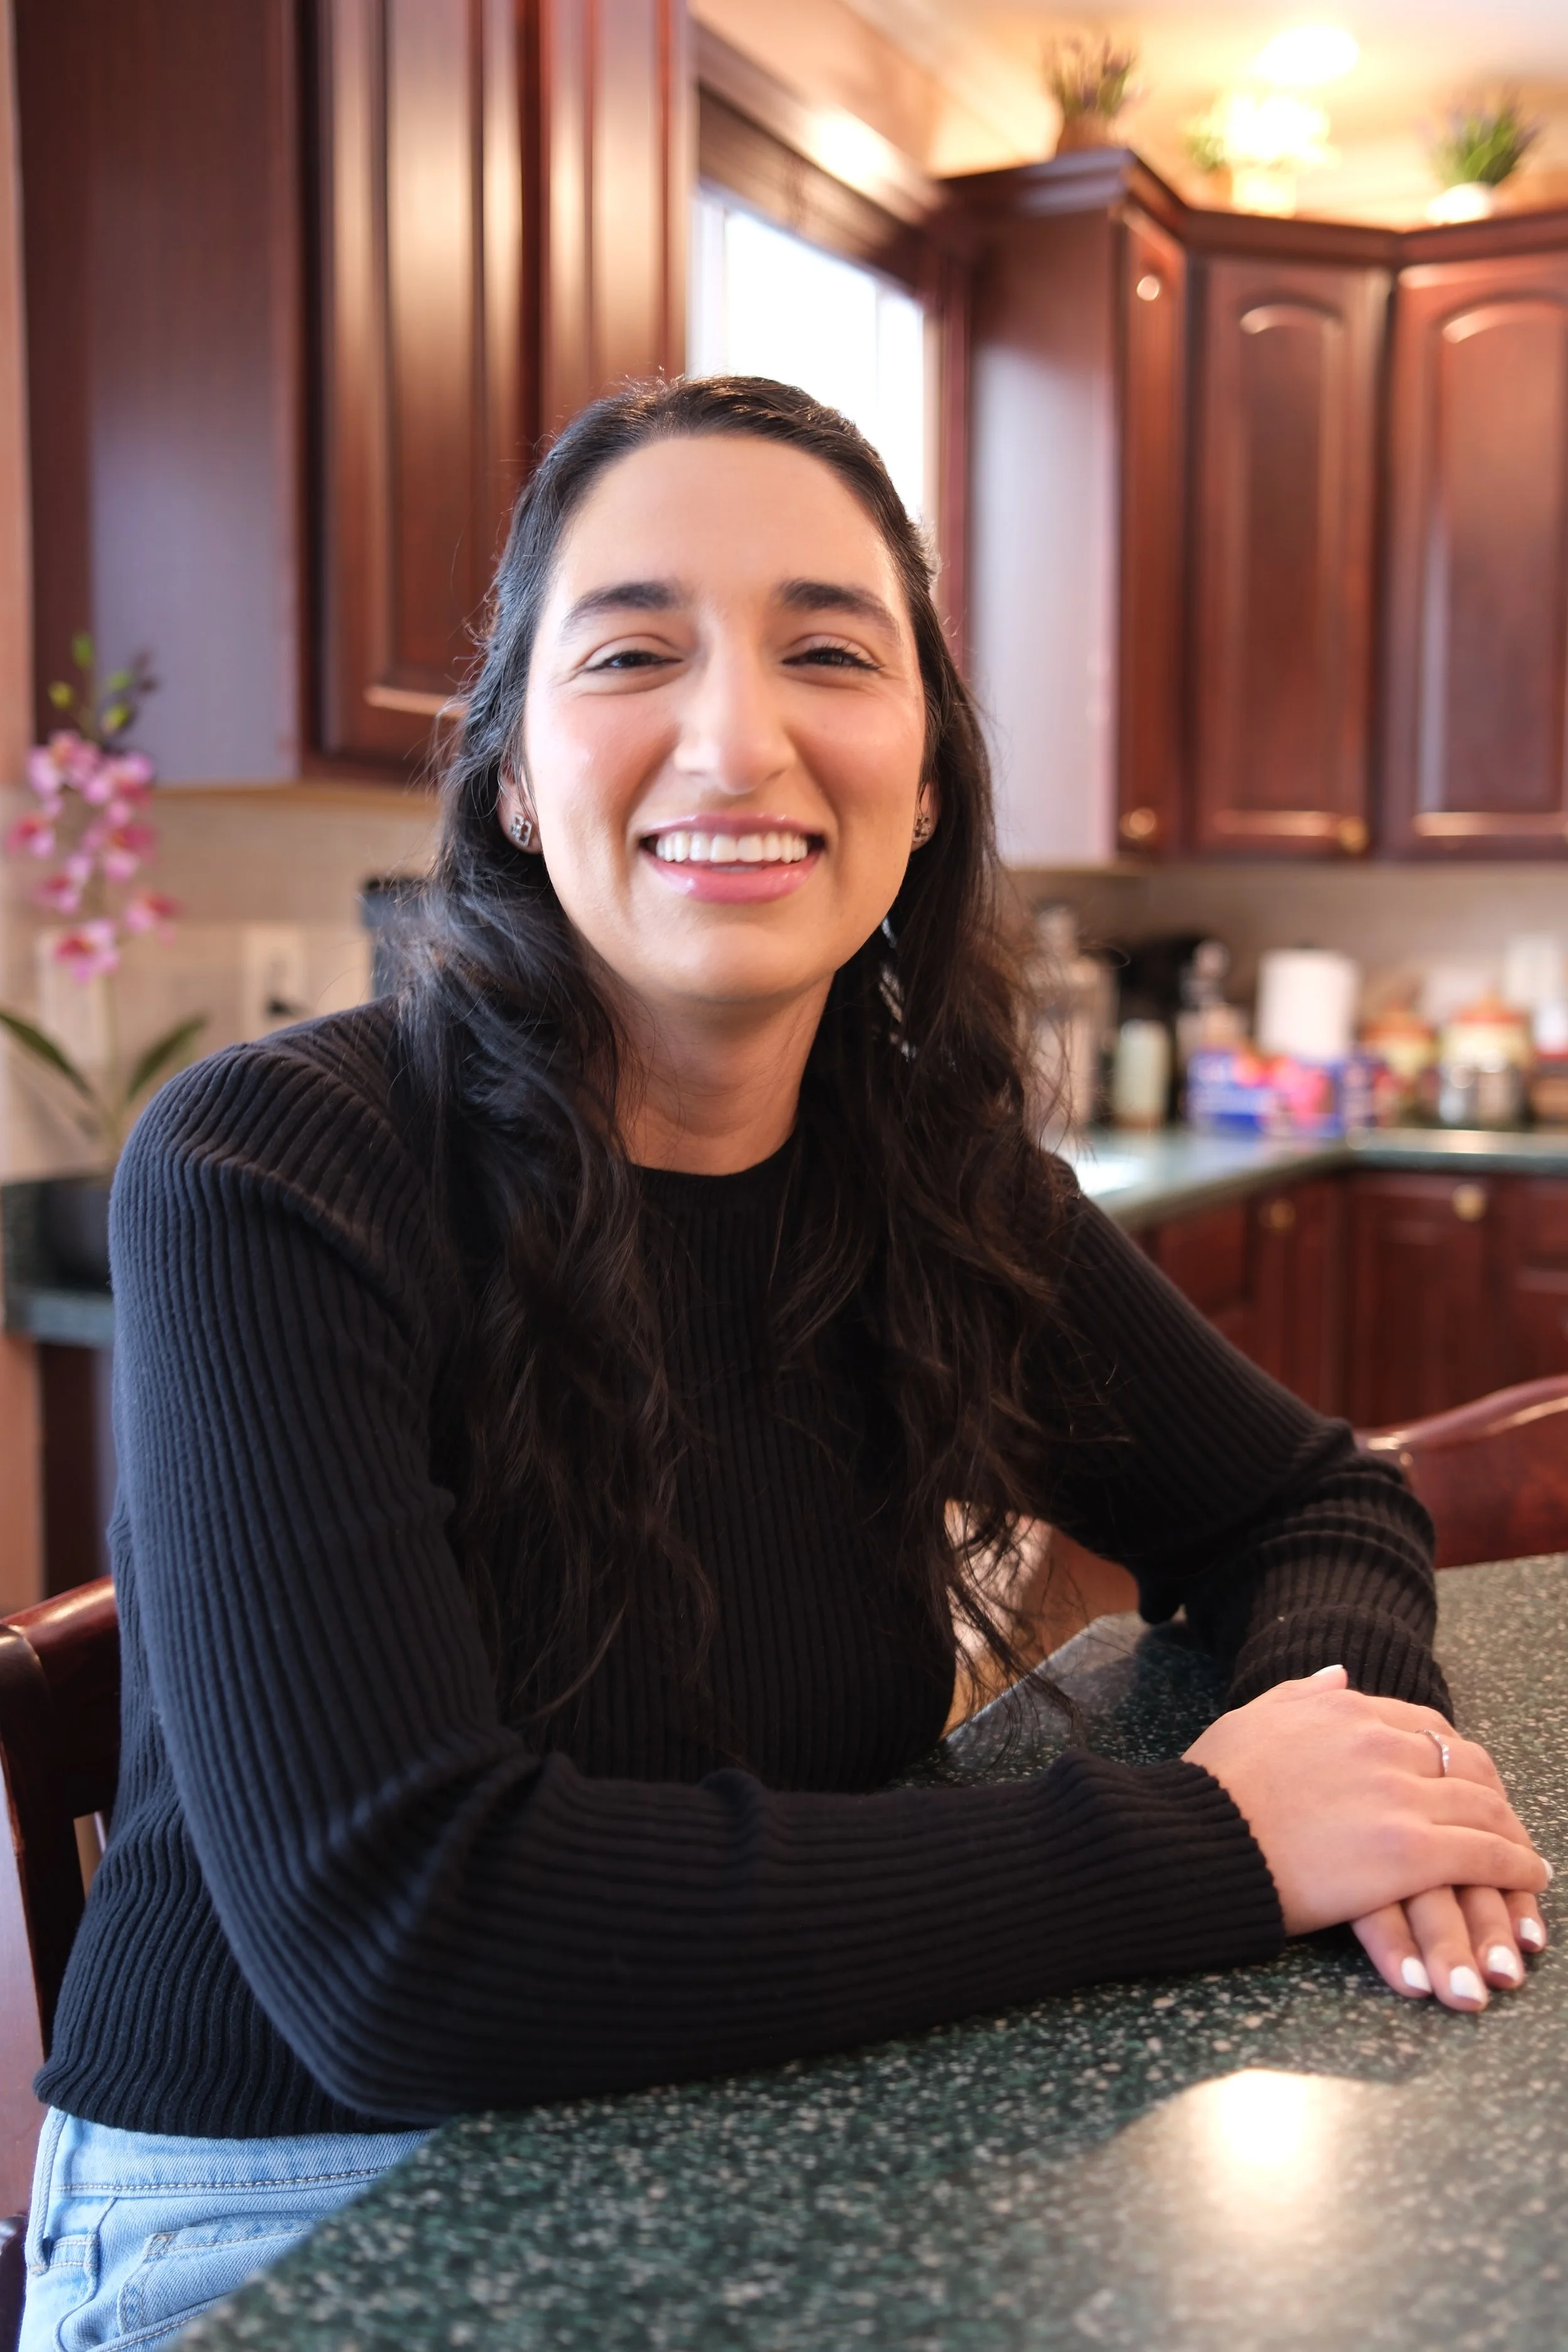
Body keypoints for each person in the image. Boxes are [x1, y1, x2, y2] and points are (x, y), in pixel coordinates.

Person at [22, 378, 1550, 2349]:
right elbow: (410, 1946)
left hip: (797, 2100)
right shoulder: (269, 1167)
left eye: (829, 649)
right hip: (287, 2208)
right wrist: (1222, 1835)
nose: (736, 732)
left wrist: (1359, 1763)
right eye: (634, 650)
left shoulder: (928, 1176)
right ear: (505, 774)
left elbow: (1306, 1495)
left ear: (920, 783)